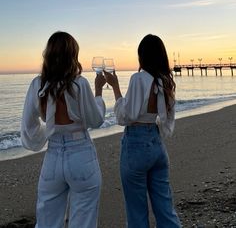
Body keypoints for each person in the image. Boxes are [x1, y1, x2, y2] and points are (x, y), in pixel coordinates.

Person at [21, 31, 106, 228]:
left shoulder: (37, 84)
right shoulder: (80, 84)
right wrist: (99, 92)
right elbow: (96, 120)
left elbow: (28, 129)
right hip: (81, 155)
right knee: (83, 220)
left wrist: (48, 132)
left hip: (53, 156)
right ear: (73, 55)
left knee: (47, 222)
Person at [104, 34, 181, 228]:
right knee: (165, 207)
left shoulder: (139, 78)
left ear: (142, 56)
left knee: (137, 211)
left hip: (136, 144)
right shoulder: (165, 82)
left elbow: (125, 117)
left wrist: (115, 88)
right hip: (156, 143)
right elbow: (166, 120)